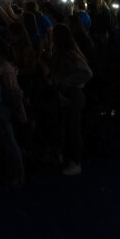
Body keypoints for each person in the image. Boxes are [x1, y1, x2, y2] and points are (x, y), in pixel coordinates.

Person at [45, 24, 92, 176]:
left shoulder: (71, 53)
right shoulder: (61, 52)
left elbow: (87, 73)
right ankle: (65, 156)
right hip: (65, 93)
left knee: (73, 129)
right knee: (64, 126)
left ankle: (76, 162)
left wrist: (65, 81)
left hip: (73, 93)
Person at [0, 38, 26, 185]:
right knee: (7, 140)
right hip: (0, 108)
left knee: (11, 141)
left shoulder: (6, 69)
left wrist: (16, 109)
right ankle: (12, 171)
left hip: (6, 110)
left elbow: (14, 91)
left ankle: (19, 173)